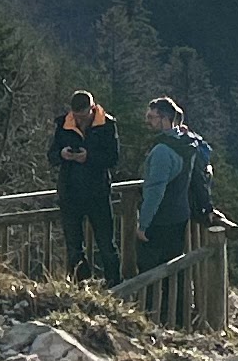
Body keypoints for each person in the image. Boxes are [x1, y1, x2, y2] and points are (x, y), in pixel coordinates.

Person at [133, 93, 217, 282]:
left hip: (159, 219)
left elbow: (155, 191)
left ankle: (151, 302)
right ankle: (178, 301)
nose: (148, 121)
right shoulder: (187, 143)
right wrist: (207, 206)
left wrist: (143, 225)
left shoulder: (162, 151)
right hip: (180, 215)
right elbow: (198, 178)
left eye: (151, 117)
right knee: (174, 267)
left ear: (164, 119)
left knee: (148, 271)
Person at [48, 90, 123, 280]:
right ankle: (83, 285)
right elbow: (51, 156)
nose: (79, 120)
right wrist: (62, 154)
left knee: (106, 245)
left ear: (92, 108)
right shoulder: (63, 124)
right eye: (76, 116)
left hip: (98, 193)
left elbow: (113, 158)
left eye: (83, 116)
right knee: (74, 248)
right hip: (70, 193)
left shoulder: (107, 125)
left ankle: (115, 285)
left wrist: (88, 157)